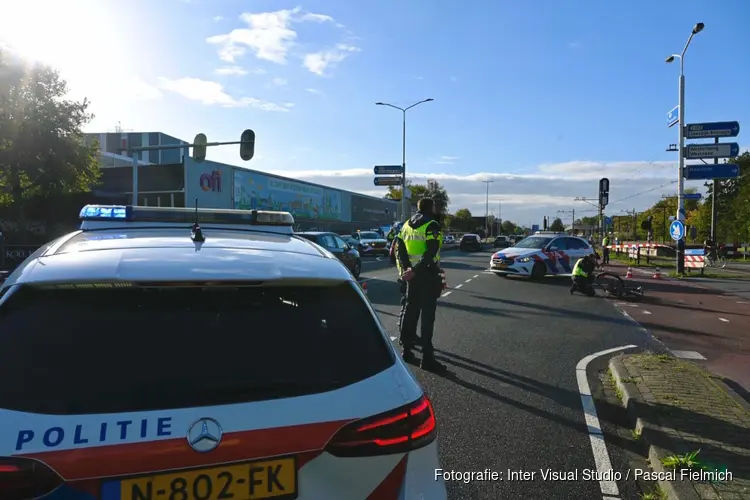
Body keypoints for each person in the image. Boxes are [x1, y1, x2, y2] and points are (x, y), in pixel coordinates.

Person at [396, 198, 446, 373]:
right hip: (427, 276)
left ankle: (407, 351)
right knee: (427, 317)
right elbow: (430, 252)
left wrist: (406, 270)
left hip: (411, 277)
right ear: (430, 208)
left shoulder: (406, 225)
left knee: (410, 312)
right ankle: (427, 358)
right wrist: (415, 270)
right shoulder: (432, 225)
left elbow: (399, 248)